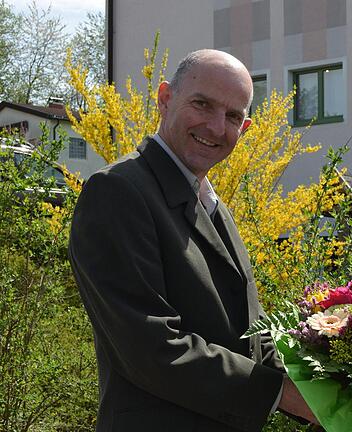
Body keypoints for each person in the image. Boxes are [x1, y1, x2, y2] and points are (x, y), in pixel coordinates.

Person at [69, 49, 315, 431]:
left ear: (245, 128)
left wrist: (334, 387)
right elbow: (149, 347)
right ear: (165, 99)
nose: (217, 128)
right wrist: (280, 393)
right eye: (202, 104)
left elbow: (254, 332)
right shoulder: (118, 191)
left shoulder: (214, 206)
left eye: (233, 116)